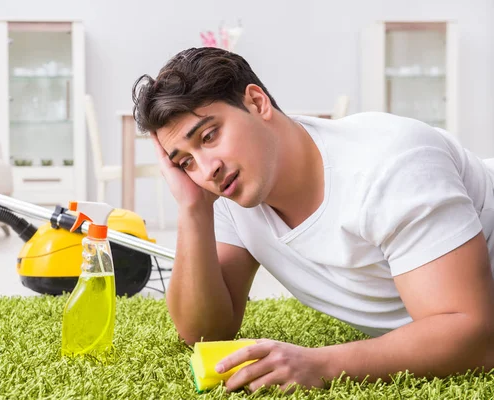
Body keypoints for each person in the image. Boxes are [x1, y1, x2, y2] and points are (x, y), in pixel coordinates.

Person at [131, 47, 494, 393]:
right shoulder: (228, 189)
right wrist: (193, 208)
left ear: (257, 103)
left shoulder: (391, 165)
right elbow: (205, 332)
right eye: (185, 162)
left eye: (210, 136)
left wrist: (323, 364)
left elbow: (475, 338)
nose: (207, 169)